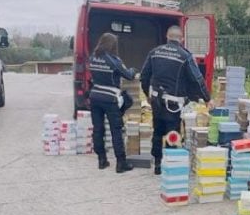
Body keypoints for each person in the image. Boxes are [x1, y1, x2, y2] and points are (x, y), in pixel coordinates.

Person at [140, 25, 210, 175]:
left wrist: (147, 93)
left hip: (156, 100)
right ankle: (171, 164)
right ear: (182, 39)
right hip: (173, 103)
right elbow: (197, 79)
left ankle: (158, 163)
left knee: (157, 130)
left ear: (167, 36)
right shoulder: (185, 56)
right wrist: (206, 98)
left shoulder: (154, 52)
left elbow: (144, 76)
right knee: (173, 132)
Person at [88, 33, 138, 173]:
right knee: (116, 130)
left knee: (98, 129)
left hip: (95, 96)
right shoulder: (114, 60)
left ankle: (102, 160)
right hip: (110, 99)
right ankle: (121, 163)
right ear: (113, 45)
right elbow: (128, 75)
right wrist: (134, 70)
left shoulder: (93, 58)